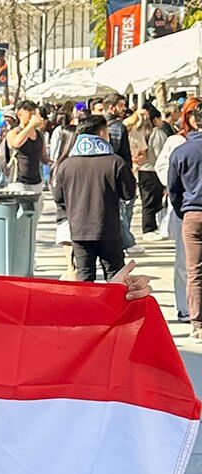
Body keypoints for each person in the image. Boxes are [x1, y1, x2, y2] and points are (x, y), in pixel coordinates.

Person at [53, 116, 137, 282]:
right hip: (109, 229)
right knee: (115, 280)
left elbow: (58, 198)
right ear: (101, 133)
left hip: (79, 231)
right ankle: (112, 309)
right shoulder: (116, 163)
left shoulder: (66, 165)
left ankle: (86, 309)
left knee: (85, 280)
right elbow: (129, 194)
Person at [156, 97, 200, 323]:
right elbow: (163, 169)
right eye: (190, 113)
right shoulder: (176, 141)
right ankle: (185, 307)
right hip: (183, 208)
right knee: (186, 262)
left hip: (189, 207)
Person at [168, 102, 202, 341]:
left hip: (192, 213)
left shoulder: (181, 151)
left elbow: (173, 188)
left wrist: (182, 210)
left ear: (193, 122)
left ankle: (198, 322)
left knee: (194, 271)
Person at [104, 93, 142, 255]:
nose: (124, 109)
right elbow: (122, 152)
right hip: (120, 171)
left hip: (105, 172)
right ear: (112, 107)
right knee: (124, 207)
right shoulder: (118, 127)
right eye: (120, 105)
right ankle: (127, 240)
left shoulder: (101, 124)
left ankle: (123, 239)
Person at [5, 100, 46, 220]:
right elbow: (16, 143)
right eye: (29, 112)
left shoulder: (39, 135)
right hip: (19, 180)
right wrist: (30, 126)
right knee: (20, 216)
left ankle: (30, 239)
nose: (33, 116)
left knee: (34, 218)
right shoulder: (14, 132)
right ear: (19, 114)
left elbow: (43, 156)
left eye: (34, 113)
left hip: (36, 181)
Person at [50, 123, 78, 280]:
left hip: (64, 218)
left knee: (71, 266)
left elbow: (56, 194)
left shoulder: (58, 165)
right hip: (71, 219)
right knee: (74, 268)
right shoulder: (67, 165)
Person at [138, 105, 169, 240]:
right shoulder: (157, 133)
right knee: (152, 201)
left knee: (147, 200)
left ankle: (149, 227)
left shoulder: (142, 131)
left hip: (143, 170)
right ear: (156, 119)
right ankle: (149, 228)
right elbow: (161, 154)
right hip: (153, 171)